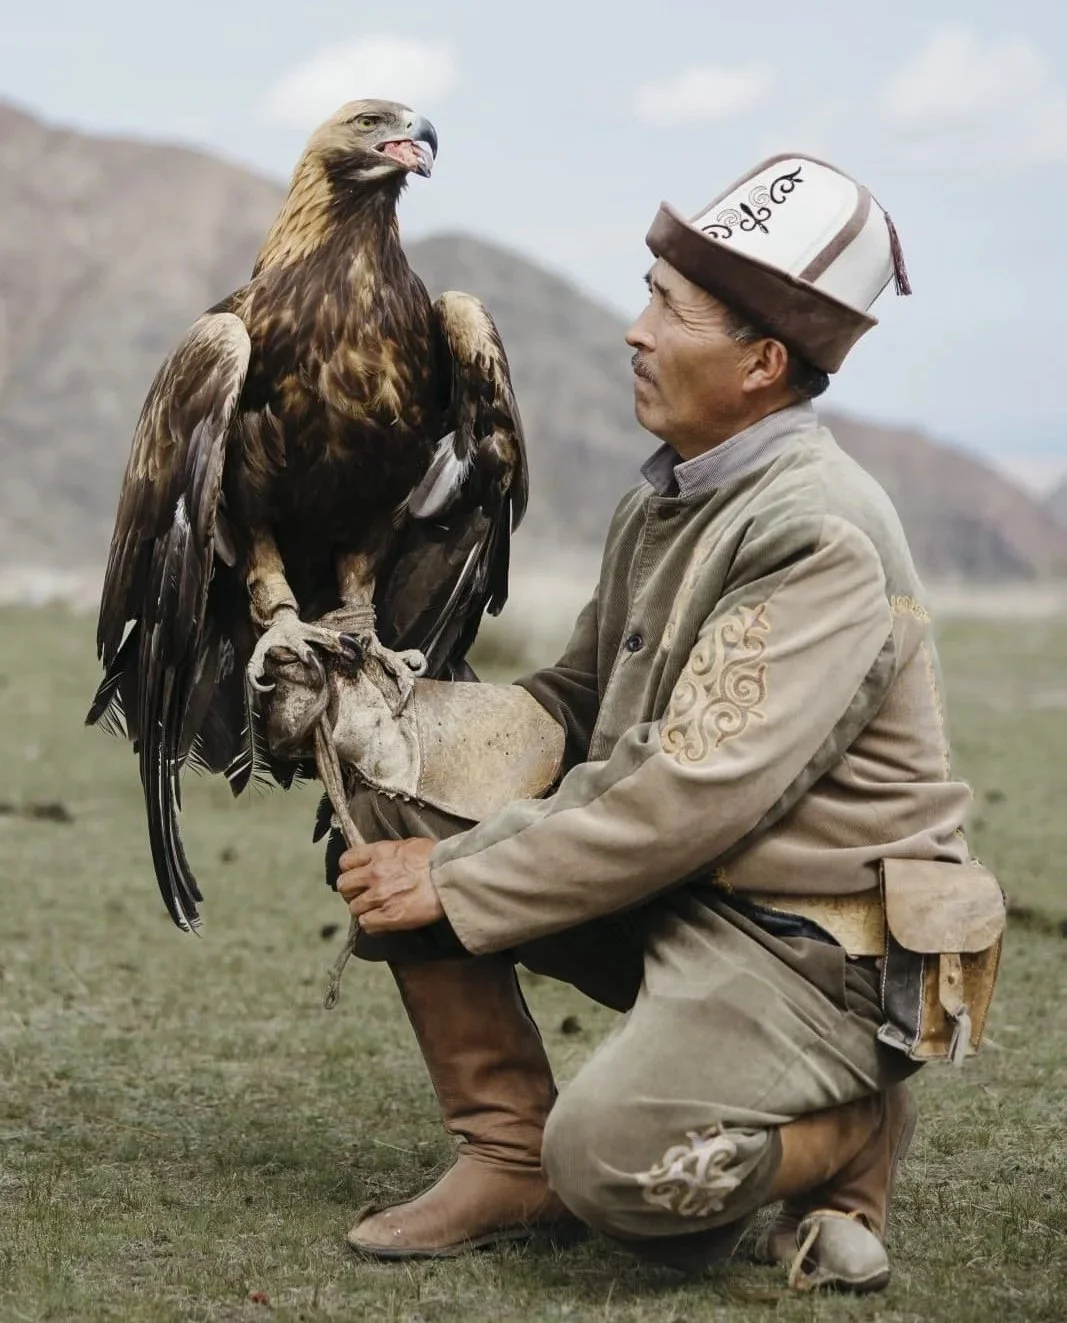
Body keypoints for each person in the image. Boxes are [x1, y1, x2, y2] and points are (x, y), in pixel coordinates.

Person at [305, 154, 993, 1291]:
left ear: (763, 364)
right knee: (392, 776)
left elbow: (688, 795)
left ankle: (849, 1134)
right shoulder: (670, 492)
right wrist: (384, 723)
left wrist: (460, 878)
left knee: (615, 1165)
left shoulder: (817, 532)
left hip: (811, 950)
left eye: (667, 309)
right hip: (678, 892)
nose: (633, 331)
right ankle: (504, 1147)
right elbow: (576, 707)